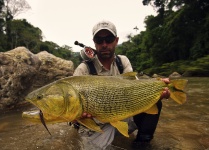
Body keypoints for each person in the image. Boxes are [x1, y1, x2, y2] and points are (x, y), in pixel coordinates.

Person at [73, 20, 170, 149]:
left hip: (122, 117)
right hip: (97, 125)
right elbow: (70, 115)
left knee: (155, 100)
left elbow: (135, 89)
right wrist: (77, 117)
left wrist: (158, 90)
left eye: (109, 39)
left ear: (116, 40)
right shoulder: (83, 70)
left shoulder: (122, 61)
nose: (104, 44)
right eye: (99, 40)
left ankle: (142, 142)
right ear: (94, 42)